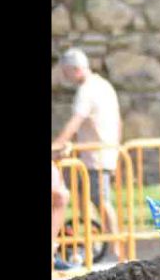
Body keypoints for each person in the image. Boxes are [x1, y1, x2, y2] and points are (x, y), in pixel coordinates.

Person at [52, 48, 123, 260]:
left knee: (100, 201)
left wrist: (57, 145)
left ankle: (115, 249)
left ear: (75, 69)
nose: (66, 77)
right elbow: (118, 121)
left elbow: (76, 122)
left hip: (95, 157)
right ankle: (96, 244)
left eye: (66, 72)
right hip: (103, 153)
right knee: (90, 201)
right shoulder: (104, 85)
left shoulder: (87, 90)